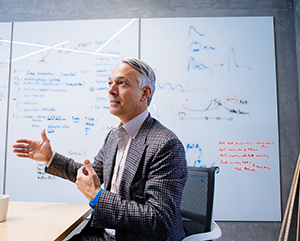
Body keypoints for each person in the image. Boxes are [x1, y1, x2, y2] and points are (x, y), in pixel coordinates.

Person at [12, 57, 188, 241]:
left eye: (122, 83)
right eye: (110, 83)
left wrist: (98, 197)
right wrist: (51, 157)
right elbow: (91, 174)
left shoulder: (166, 145)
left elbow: (159, 220)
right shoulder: (114, 136)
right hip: (104, 234)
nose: (111, 91)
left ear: (144, 94)